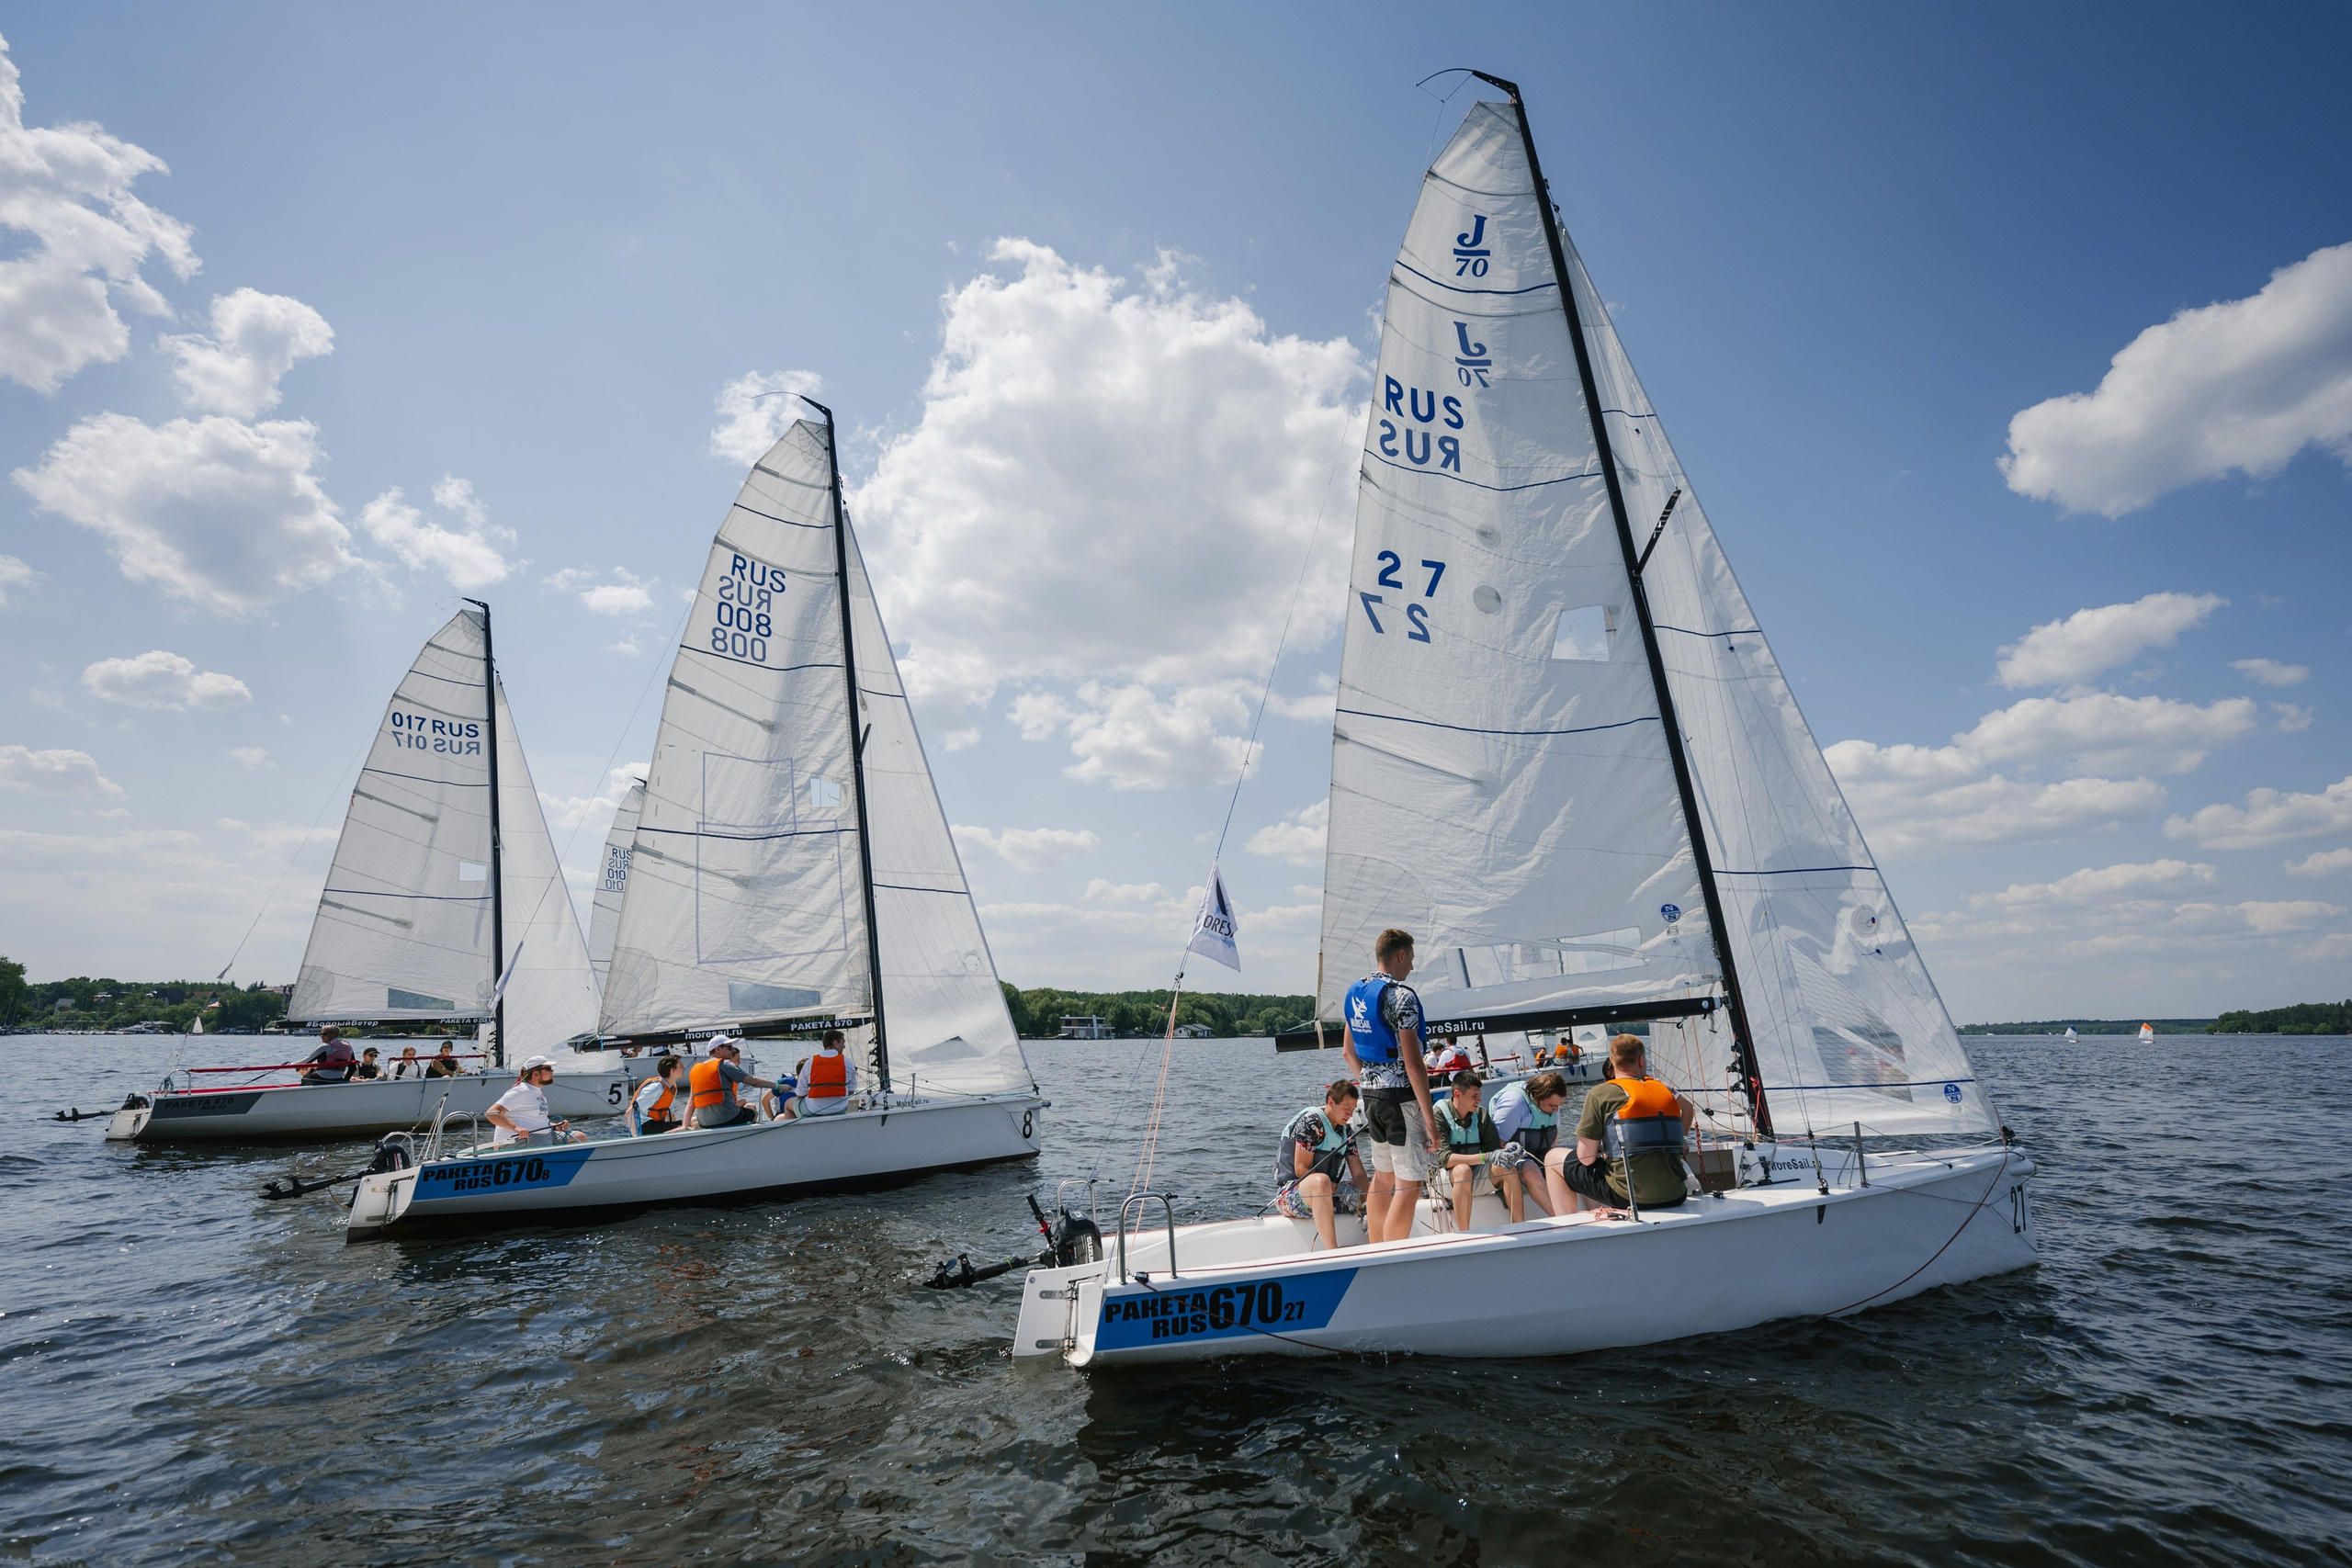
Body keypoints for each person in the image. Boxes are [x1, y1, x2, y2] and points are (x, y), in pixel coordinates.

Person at [1341, 928, 1444, 1246]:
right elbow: (1414, 1065)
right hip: (1401, 1100)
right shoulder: (1402, 996)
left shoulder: (1356, 993)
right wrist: (1430, 1121)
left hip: (1371, 1097)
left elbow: (1347, 1052)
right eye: (1411, 959)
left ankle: (1375, 1248)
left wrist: (1372, 1082)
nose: (1411, 967)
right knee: (1410, 1184)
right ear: (1400, 955)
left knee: (1383, 1178)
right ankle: (1392, 1254)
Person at [1565, 1034, 1697, 1213]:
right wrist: (1681, 1140)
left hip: (1628, 1197)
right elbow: (1688, 1108)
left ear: (1611, 1061)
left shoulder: (1600, 1093)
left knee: (1556, 1158)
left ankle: (1570, 1226)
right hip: (1676, 1194)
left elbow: (1586, 1159)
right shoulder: (1664, 1088)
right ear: (1641, 1060)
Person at [1272, 1080, 1370, 1251]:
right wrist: (1338, 1190)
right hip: (1291, 1194)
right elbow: (1301, 1169)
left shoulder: (1346, 1132)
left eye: (1353, 1109)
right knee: (1321, 1181)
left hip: (1327, 1195)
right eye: (1346, 1108)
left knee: (1378, 1186)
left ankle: (1378, 1243)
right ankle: (1331, 1250)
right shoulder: (1311, 1123)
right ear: (1331, 1102)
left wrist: (1367, 1204)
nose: (1350, 1114)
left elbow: (1359, 1174)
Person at [1430, 1070, 1520, 1229]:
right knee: (1463, 1170)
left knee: (1507, 1167)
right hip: (1442, 1181)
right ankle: (1465, 1235)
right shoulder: (1439, 1115)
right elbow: (1445, 1158)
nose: (1479, 1100)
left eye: (1479, 1095)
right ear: (1457, 1094)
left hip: (1472, 1176)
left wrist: (1508, 1151)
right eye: (1474, 1096)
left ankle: (1521, 1228)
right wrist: (1486, 1157)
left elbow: (1493, 1150)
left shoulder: (1482, 1115)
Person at [1488, 1070, 1573, 1219]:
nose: (1556, 1110)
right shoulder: (1514, 1104)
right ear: (1538, 1097)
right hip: (1517, 1159)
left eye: (1559, 1106)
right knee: (1531, 1169)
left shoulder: (1554, 1106)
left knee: (1577, 1157)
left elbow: (1553, 1140)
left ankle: (1596, 1212)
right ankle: (1564, 1219)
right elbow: (1496, 1146)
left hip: (1541, 1154)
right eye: (1553, 1106)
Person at [487, 1056, 585, 1146]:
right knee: (543, 1143)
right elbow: (491, 1112)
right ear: (535, 1074)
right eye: (548, 1069)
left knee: (579, 1137)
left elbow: (535, 1120)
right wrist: (515, 1128)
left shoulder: (537, 1093)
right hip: (519, 1139)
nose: (552, 1071)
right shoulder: (521, 1091)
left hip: (544, 1136)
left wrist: (555, 1126)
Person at [689, 1036, 781, 1129]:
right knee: (752, 1112)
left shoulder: (695, 1070)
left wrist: (685, 1125)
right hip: (728, 1118)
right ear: (718, 1049)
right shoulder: (724, 1064)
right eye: (729, 1047)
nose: (732, 1050)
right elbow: (754, 1081)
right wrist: (778, 1086)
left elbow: (691, 1101)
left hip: (705, 1122)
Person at [791, 1029, 856, 1116]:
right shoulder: (848, 1062)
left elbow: (800, 1094)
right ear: (836, 1043)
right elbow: (851, 1091)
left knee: (790, 1102)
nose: (844, 1046)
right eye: (843, 1043)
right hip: (839, 1109)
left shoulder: (810, 1062)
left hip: (813, 1110)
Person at [629, 1055, 686, 1135]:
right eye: (681, 1066)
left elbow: (670, 1114)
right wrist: (636, 1138)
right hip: (645, 1126)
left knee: (694, 1122)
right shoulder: (656, 1087)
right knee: (690, 1128)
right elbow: (630, 1111)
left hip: (658, 1124)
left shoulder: (673, 1087)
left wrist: (675, 1131)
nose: (684, 1068)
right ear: (672, 1071)